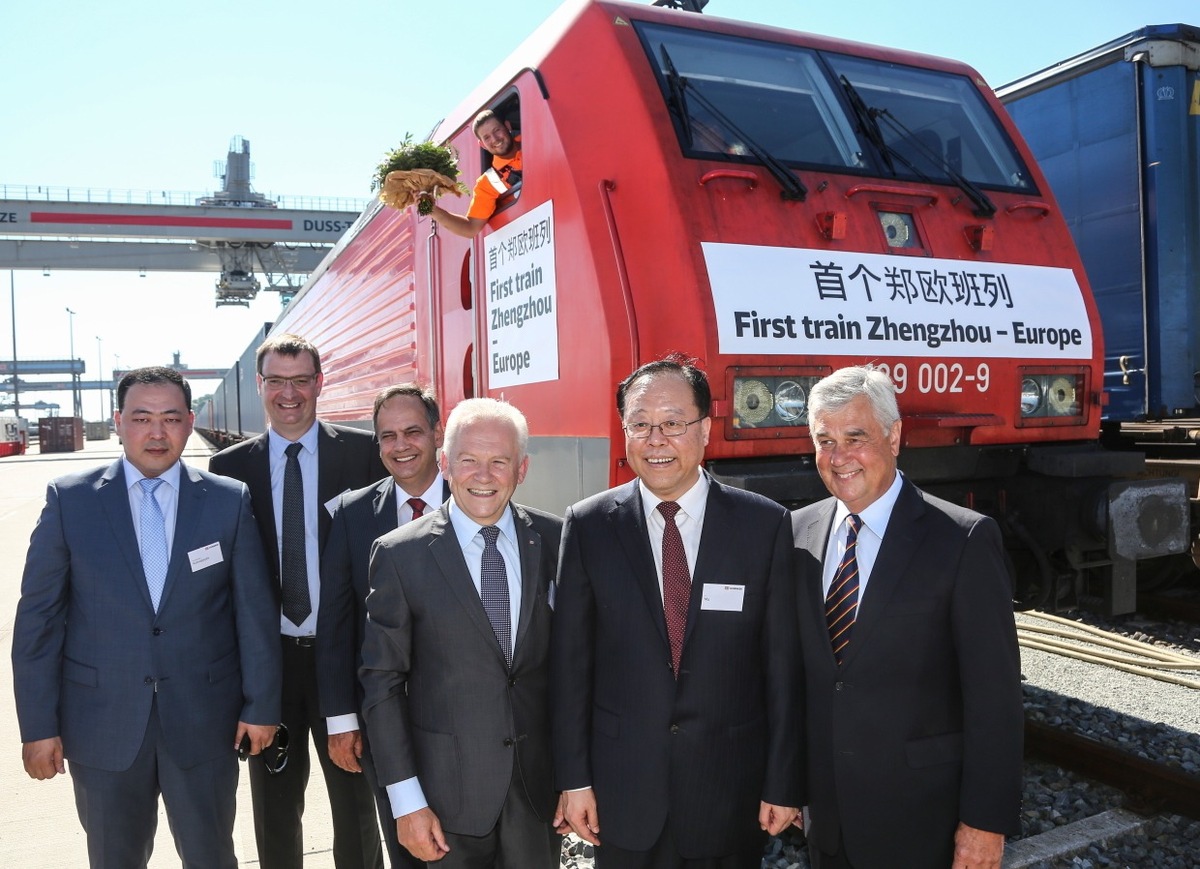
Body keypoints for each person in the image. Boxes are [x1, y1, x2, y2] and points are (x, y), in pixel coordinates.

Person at [12, 366, 282, 869]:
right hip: (103, 728)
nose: (156, 433)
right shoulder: (71, 501)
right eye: (141, 418)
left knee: (211, 857)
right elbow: (37, 622)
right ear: (118, 422)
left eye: (170, 418)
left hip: (204, 723)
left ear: (189, 421)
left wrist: (262, 704)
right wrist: (38, 726)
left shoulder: (226, 500)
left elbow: (255, 614)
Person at [552, 355, 802, 869]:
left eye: (672, 422)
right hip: (623, 797)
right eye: (640, 424)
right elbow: (570, 666)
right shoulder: (589, 526)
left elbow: (783, 667)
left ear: (706, 429)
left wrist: (783, 781)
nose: (655, 439)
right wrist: (574, 780)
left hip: (729, 792)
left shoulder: (764, 526)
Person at [790, 365, 1022, 869]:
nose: (839, 457)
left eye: (856, 437)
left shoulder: (961, 539)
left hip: (922, 823)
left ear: (895, 436)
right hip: (826, 820)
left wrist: (985, 822)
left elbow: (995, 696)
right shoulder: (796, 533)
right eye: (824, 440)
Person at [360, 397, 562, 867]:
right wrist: (406, 801)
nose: (484, 475)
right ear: (446, 463)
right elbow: (381, 684)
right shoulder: (399, 555)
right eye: (469, 460)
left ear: (522, 469)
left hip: (538, 796)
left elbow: (574, 668)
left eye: (500, 461)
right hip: (444, 800)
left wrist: (576, 779)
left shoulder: (555, 540)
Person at [209, 334, 386, 869]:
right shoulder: (228, 469)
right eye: (277, 382)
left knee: (356, 804)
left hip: (345, 661)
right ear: (260, 386)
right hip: (270, 666)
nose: (290, 394)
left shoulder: (362, 456)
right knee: (274, 807)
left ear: (319, 384)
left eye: (301, 380)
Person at [317, 384, 449, 869]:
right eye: (387, 436)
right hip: (384, 720)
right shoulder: (352, 515)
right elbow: (335, 624)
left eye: (413, 432)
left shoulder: (478, 497)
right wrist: (341, 720)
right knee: (407, 849)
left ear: (438, 434)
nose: (401, 446)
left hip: (472, 718)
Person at [424, 109, 522, 239]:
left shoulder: (534, 136)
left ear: (507, 126)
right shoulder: (488, 182)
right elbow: (470, 228)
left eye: (497, 130)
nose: (494, 139)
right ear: (482, 145)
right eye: (487, 137)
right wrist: (431, 209)